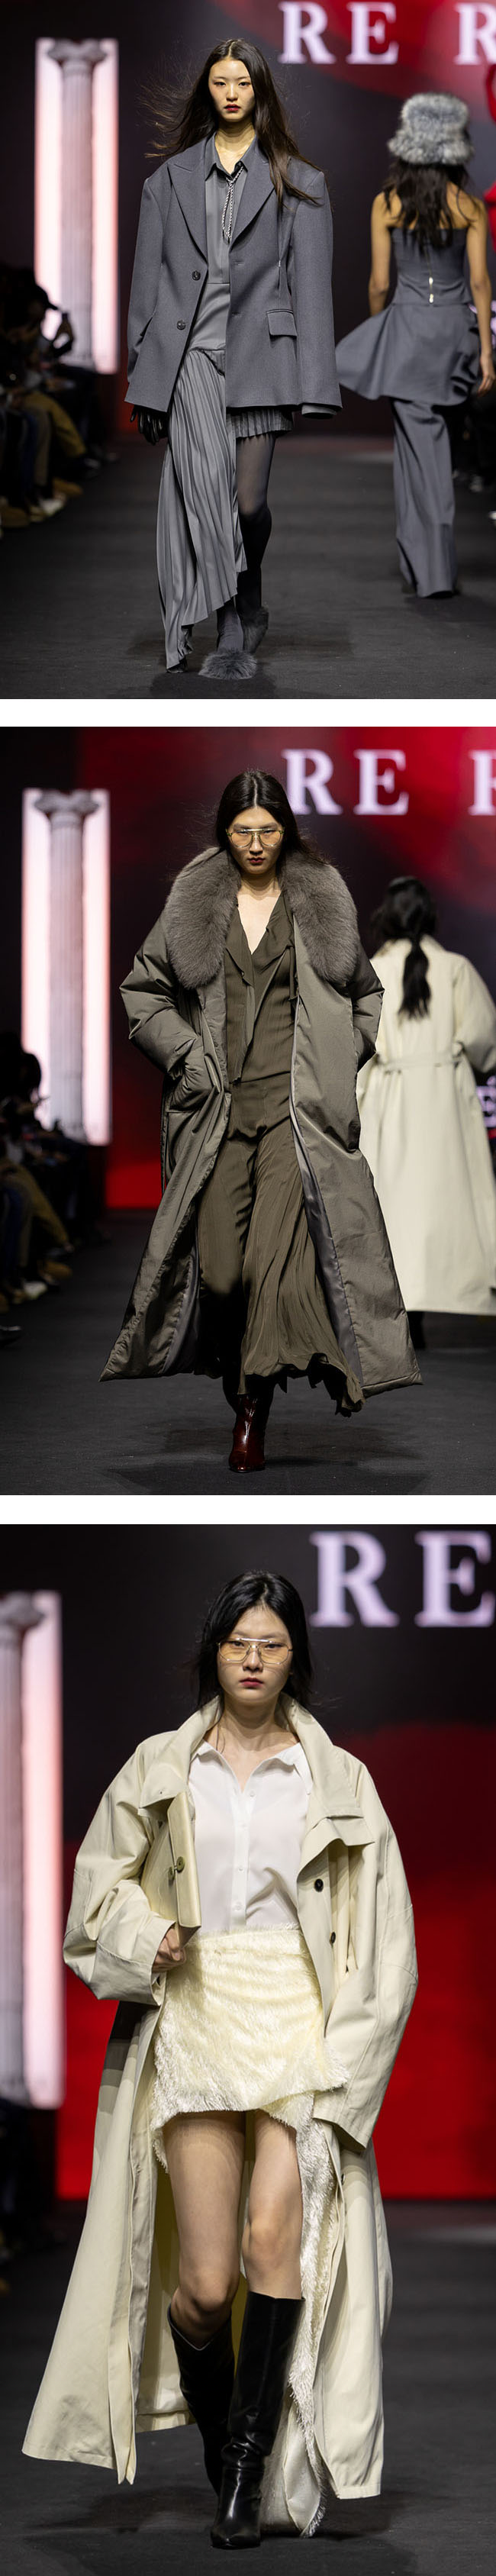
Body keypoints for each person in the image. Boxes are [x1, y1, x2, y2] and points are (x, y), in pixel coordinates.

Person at [23, 1569, 417, 2542]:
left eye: (270, 1644)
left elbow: (384, 1935)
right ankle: (221, 2443)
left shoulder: (338, 1781)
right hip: (196, 2011)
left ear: (294, 1661)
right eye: (238, 1642)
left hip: (297, 2020)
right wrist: (144, 1933)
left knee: (271, 2239)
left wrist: (351, 2062)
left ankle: (243, 2474)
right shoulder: (161, 1767)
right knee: (202, 2288)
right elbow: (96, 1894)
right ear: (212, 1652)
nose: (251, 1659)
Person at [101, 770, 420, 1470]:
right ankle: (241, 1380)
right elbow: (143, 992)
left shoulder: (319, 897)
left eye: (268, 830)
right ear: (224, 832)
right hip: (214, 1116)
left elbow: (366, 993)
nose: (255, 843)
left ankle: (252, 1409)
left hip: (292, 1116)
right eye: (242, 831)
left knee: (272, 1269)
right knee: (220, 1276)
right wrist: (186, 1055)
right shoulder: (194, 900)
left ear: (287, 831)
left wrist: (342, 1054)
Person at [127, 39, 340, 675]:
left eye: (242, 83)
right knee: (205, 499)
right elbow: (147, 285)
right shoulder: (168, 180)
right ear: (208, 90)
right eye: (220, 82)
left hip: (261, 357)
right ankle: (228, 631)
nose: (231, 93)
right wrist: (146, 379)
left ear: (259, 91)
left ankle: (249, 588)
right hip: (190, 353)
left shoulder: (297, 180)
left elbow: (312, 290)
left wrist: (316, 383)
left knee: (247, 504)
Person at [336, 92, 495, 597]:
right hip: (454, 338)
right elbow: (480, 283)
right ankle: (418, 561)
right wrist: (486, 352)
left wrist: (381, 334)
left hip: (407, 335)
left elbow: (379, 283)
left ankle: (434, 573)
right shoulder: (468, 206)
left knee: (421, 452)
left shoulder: (387, 203)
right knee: (426, 450)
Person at [357, 875, 496, 1326]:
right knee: (446, 1197)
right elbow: (485, 1042)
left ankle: (396, 1310)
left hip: (390, 1099)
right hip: (444, 1100)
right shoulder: (455, 968)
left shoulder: (372, 972)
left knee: (391, 1202)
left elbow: (355, 1047)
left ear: (385, 919)